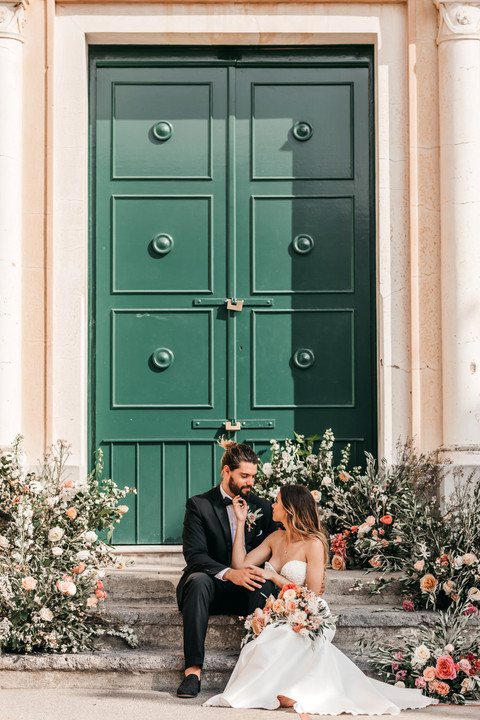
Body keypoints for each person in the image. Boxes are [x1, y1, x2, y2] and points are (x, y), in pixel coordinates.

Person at [204, 484, 438, 716]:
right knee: (270, 637)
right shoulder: (275, 538)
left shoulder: (313, 543)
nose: (272, 505)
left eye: (276, 501)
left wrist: (274, 577)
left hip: (310, 612)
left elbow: (312, 594)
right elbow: (239, 565)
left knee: (282, 635)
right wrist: (241, 522)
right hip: (284, 609)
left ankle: (291, 689)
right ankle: (277, 689)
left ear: (289, 509)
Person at [175, 439, 278, 698]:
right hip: (211, 586)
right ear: (226, 471)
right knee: (197, 581)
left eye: (253, 476)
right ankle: (193, 671)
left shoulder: (263, 507)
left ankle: (260, 672)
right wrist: (230, 572)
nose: (249, 482)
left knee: (264, 583)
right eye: (244, 475)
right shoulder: (199, 505)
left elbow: (277, 550)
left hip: (247, 590)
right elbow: (195, 555)